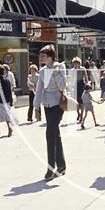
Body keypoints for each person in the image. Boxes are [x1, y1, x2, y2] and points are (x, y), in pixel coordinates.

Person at [34, 45, 68, 180]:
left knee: (50, 134)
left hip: (58, 104)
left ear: (50, 57)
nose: (41, 58)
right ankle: (61, 165)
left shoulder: (60, 67)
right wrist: (36, 107)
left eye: (43, 56)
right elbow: (39, 89)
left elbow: (63, 86)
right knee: (55, 134)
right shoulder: (42, 71)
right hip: (47, 104)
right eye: (40, 56)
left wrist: (56, 74)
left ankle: (50, 167)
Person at [69, 57, 88, 122]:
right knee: (76, 102)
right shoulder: (72, 70)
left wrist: (87, 85)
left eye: (77, 63)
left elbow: (86, 77)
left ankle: (81, 116)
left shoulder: (83, 69)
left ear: (80, 63)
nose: (76, 65)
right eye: (75, 63)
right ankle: (78, 113)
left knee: (82, 101)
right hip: (75, 85)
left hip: (81, 84)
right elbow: (71, 79)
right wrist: (70, 87)